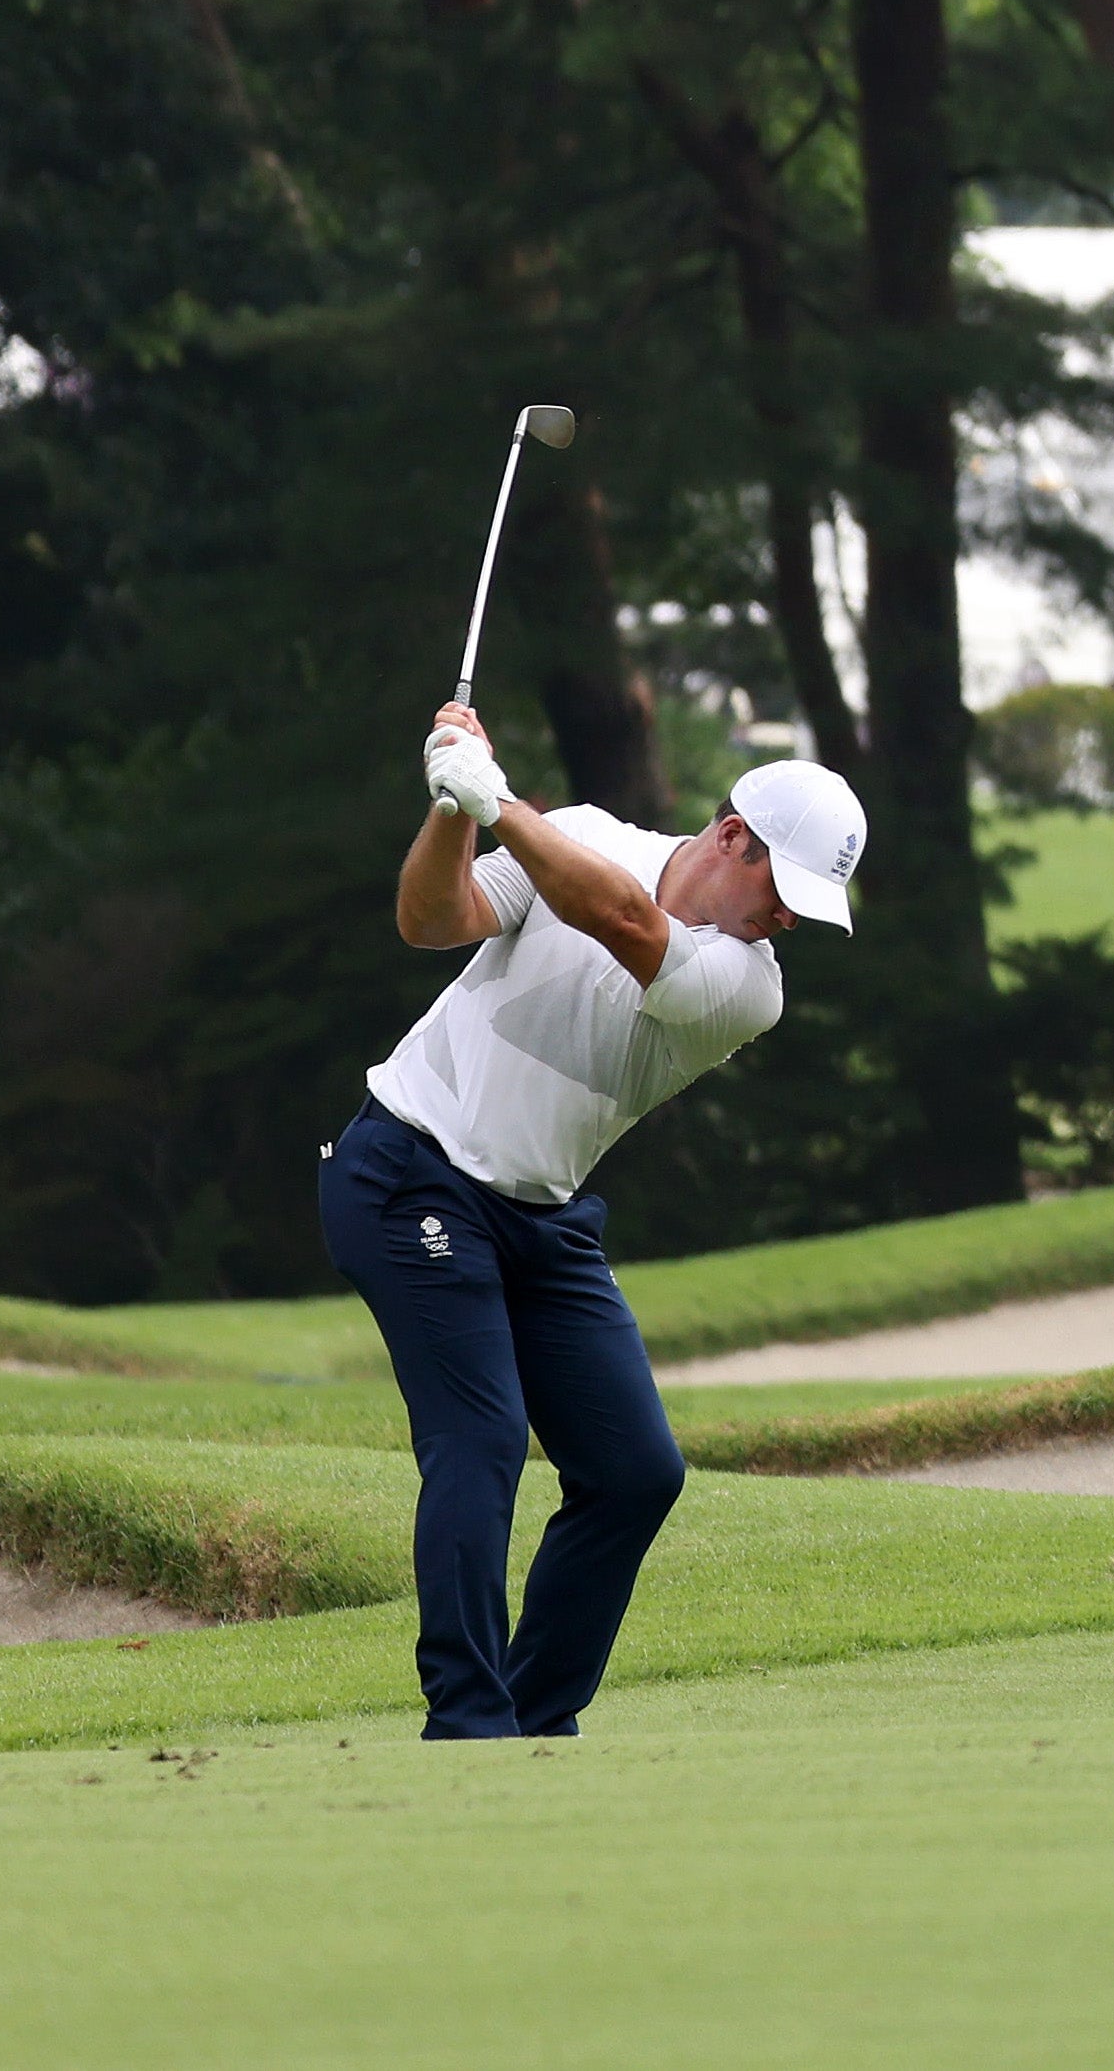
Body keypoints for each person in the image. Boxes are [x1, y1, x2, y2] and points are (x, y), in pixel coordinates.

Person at [318, 706, 866, 1739]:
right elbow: (431, 920)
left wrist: (498, 801)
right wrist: (452, 810)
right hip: (408, 1166)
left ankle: (534, 1711)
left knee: (634, 1470)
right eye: (782, 889)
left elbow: (624, 922)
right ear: (730, 833)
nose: (788, 919)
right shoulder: (583, 831)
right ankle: (470, 1720)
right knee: (481, 1437)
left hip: (539, 1210)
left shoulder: (748, 986)